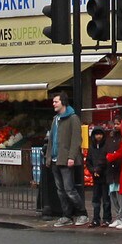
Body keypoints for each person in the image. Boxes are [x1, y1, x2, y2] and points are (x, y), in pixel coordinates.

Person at [44, 91, 85, 227]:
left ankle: (82, 213)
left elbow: (76, 139)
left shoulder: (73, 118)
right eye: (53, 102)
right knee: (60, 191)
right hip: (55, 160)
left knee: (69, 190)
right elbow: (51, 140)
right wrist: (48, 157)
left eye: (56, 101)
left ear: (63, 102)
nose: (54, 104)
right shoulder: (55, 119)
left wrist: (71, 157)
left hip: (66, 159)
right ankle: (66, 215)